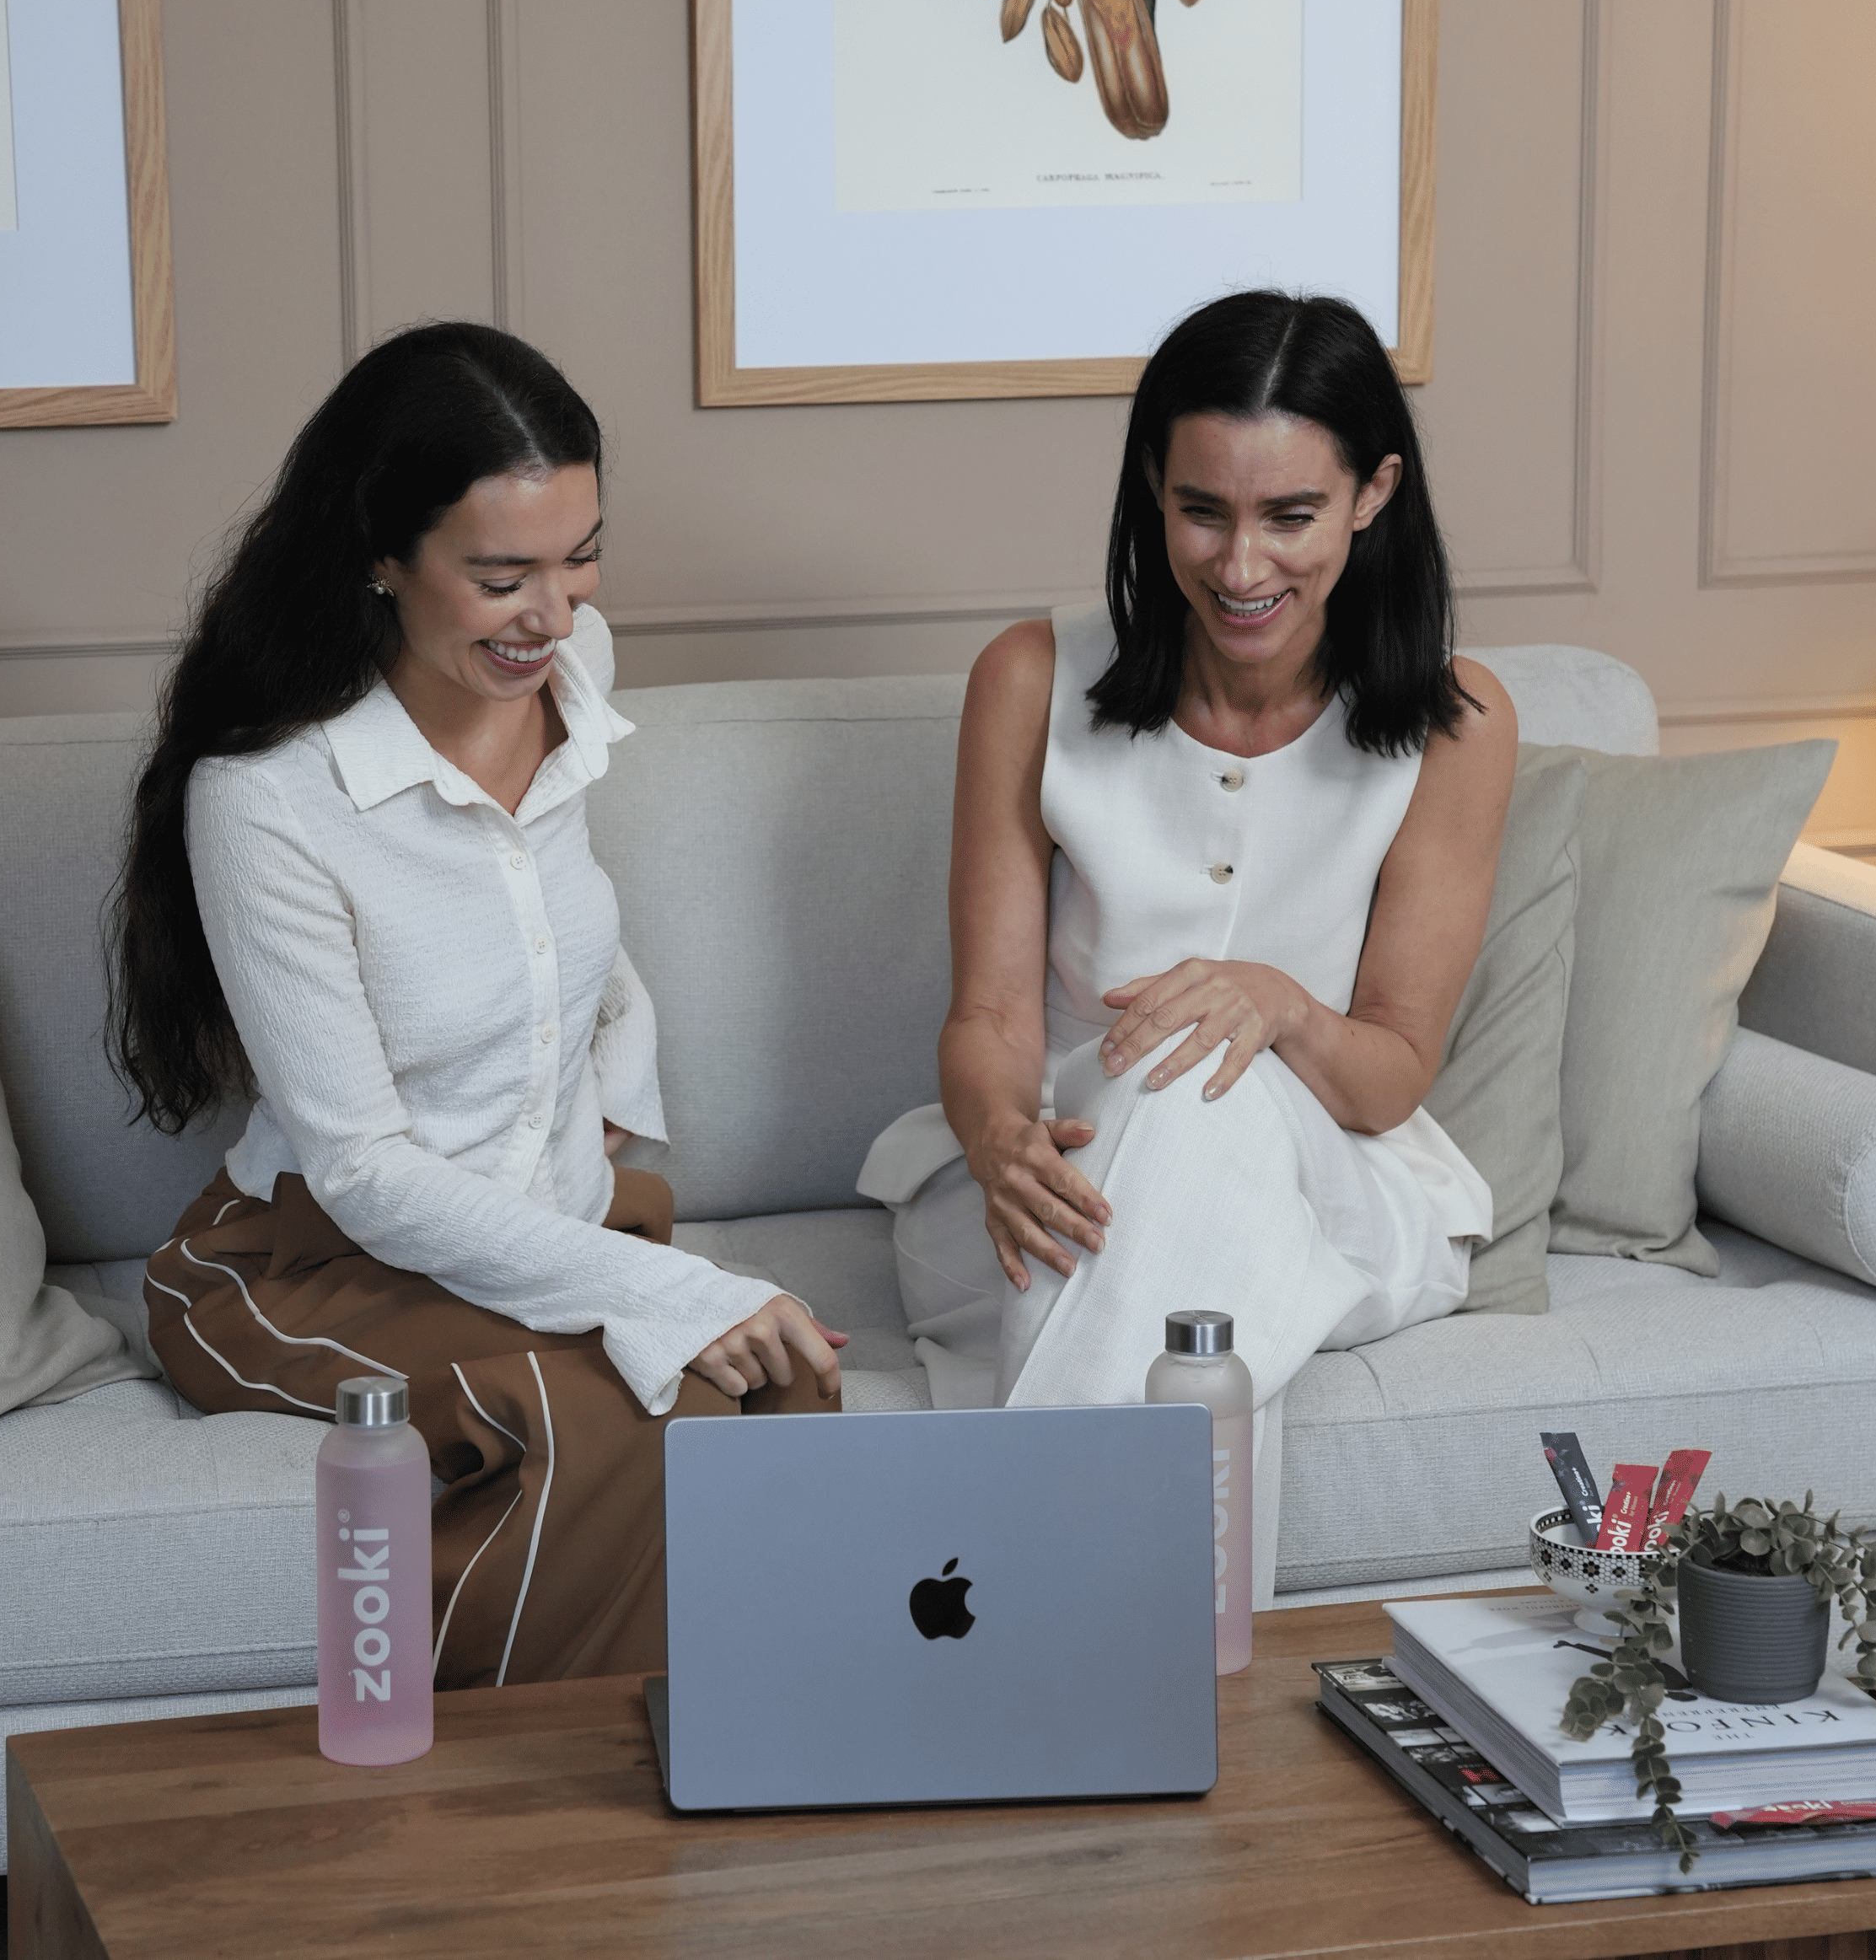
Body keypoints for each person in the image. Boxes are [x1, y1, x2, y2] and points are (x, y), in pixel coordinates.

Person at [110, 322, 841, 1689]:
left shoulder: (577, 672)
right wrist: (666, 1286)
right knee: (608, 1417)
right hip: (318, 1256)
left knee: (785, 1376)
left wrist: (607, 1082)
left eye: (581, 559)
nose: (553, 618)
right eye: (502, 577)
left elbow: (559, 922)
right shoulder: (269, 799)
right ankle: (528, 1827)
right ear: (381, 558)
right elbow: (367, 1171)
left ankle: (769, 1753)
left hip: (536, 1215)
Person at [858, 291, 1516, 1462]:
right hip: (1054, 1184)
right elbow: (993, 1016)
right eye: (1200, 511)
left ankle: (1045, 1559)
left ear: (1375, 495)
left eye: (1291, 515)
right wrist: (1004, 1138)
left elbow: (1386, 1078)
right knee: (1183, 1232)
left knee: (1190, 1103)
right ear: (1151, 496)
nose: (1240, 565)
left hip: (1331, 1183)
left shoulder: (1456, 725)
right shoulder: (1028, 679)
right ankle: (1172, 1627)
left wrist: (1277, 1006)